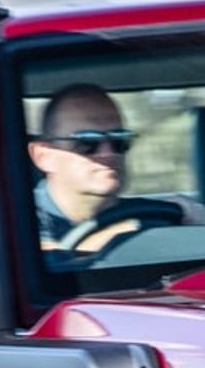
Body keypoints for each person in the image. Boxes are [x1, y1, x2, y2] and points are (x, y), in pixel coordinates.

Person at [30, 86, 136, 252]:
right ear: (44, 156)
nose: (107, 153)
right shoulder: (16, 228)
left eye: (119, 139)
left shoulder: (153, 215)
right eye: (88, 142)